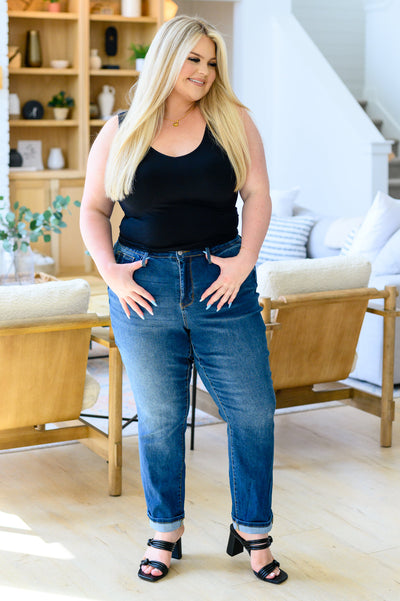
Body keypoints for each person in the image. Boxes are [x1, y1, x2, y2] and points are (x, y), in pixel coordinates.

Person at [80, 15, 288, 585]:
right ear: (167, 59)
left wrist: (245, 261)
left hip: (222, 284)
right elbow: (93, 209)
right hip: (143, 288)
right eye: (193, 58)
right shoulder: (121, 128)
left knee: (253, 411)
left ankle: (253, 530)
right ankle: (164, 531)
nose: (204, 71)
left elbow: (258, 195)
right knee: (160, 418)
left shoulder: (233, 120)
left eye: (212, 62)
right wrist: (112, 275)